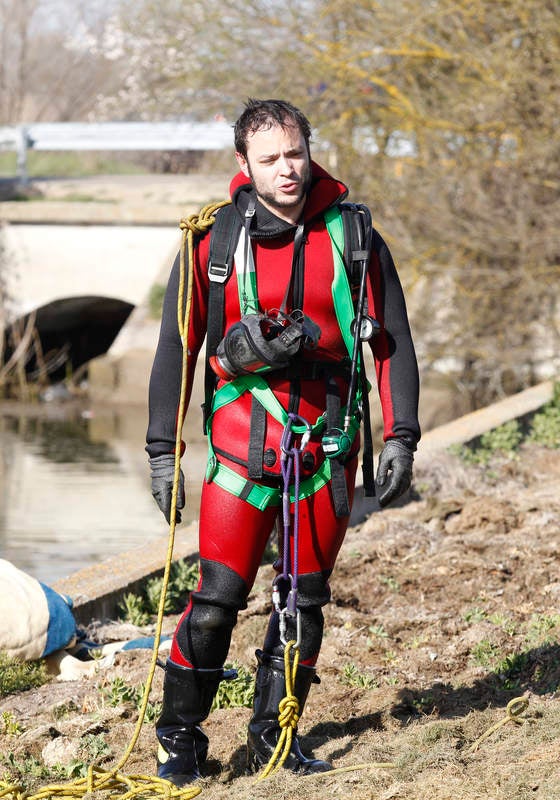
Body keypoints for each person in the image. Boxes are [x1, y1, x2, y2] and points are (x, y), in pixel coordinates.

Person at [146, 98, 420, 786]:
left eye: (294, 153)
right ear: (244, 165)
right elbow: (177, 348)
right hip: (242, 448)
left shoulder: (356, 236)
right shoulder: (210, 242)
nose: (286, 169)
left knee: (304, 598)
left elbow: (393, 341)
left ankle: (277, 736)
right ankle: (178, 739)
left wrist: (402, 436)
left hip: (329, 447)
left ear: (308, 149)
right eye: (269, 159)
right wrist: (161, 451)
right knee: (215, 600)